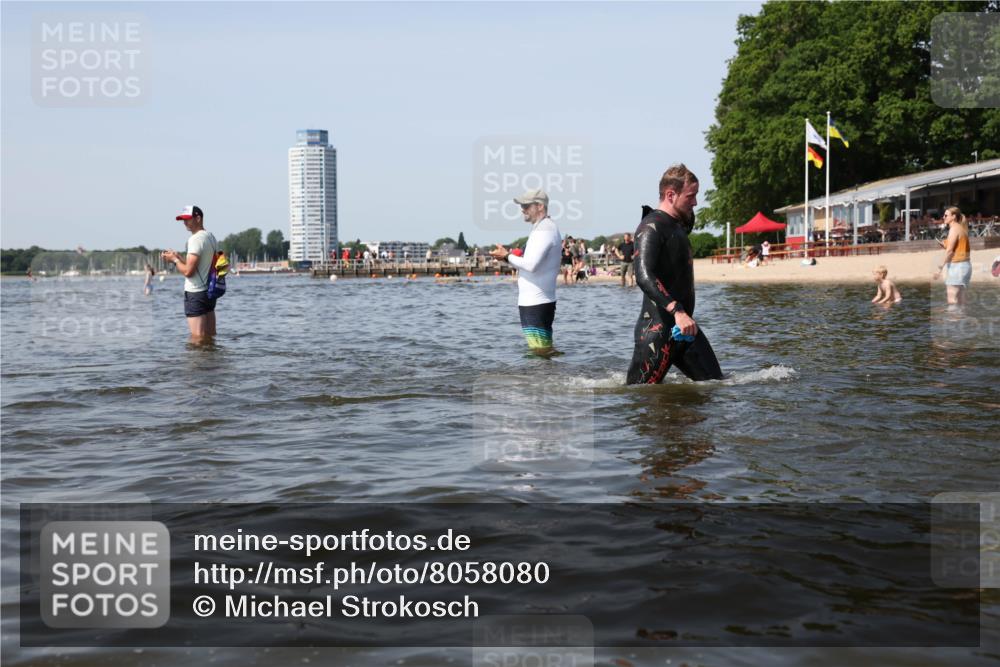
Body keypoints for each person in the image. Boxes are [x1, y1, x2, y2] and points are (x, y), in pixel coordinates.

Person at [626, 164, 723, 384]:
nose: (696, 202)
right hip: (658, 333)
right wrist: (677, 311)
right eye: (691, 196)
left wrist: (682, 317)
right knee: (639, 398)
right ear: (670, 194)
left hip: (686, 329)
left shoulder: (677, 226)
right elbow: (643, 275)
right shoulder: (650, 227)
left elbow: (688, 219)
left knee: (716, 386)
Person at [490, 188, 561, 354]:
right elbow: (528, 262)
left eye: (526, 205)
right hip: (535, 302)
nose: (522, 209)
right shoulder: (542, 228)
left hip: (537, 302)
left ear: (540, 207)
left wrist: (507, 256)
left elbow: (531, 265)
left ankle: (546, 379)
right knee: (541, 351)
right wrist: (505, 256)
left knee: (540, 352)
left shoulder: (546, 229)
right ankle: (546, 378)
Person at [160, 205, 220, 342]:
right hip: (209, 292)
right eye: (183, 220)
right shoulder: (210, 237)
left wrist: (174, 260)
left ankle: (198, 364)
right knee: (210, 336)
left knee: (197, 338)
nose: (185, 223)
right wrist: (178, 257)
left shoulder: (195, 239)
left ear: (198, 218)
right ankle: (212, 363)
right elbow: (200, 265)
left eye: (188, 219)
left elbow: (188, 271)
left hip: (196, 293)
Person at [933, 206, 972, 305]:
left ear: (953, 216)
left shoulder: (954, 229)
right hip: (965, 266)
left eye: (946, 215)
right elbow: (956, 248)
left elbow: (950, 252)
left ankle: (953, 320)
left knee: (952, 301)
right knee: (961, 301)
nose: (943, 217)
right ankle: (962, 320)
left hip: (957, 266)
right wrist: (945, 245)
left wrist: (940, 269)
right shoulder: (962, 229)